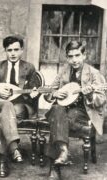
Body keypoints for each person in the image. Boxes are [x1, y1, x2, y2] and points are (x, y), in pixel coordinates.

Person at [0, 35, 39, 177]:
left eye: (16, 49)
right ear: (5, 51)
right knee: (7, 108)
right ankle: (13, 148)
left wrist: (34, 93)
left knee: (8, 112)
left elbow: (35, 89)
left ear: (22, 50)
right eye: (9, 50)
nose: (13, 53)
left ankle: (3, 161)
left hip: (20, 106)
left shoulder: (29, 68)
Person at [43, 40, 106, 179]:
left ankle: (54, 168)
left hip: (84, 111)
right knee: (57, 110)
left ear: (84, 55)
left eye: (77, 55)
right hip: (64, 109)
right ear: (67, 57)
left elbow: (101, 100)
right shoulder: (64, 71)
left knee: (57, 119)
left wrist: (89, 94)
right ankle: (64, 151)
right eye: (70, 56)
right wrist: (54, 94)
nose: (74, 60)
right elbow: (49, 91)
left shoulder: (94, 73)